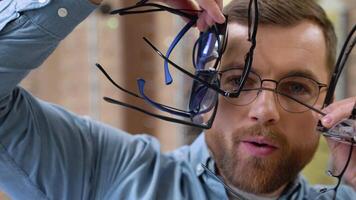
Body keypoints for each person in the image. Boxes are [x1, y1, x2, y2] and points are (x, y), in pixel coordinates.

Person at [0, 0, 355, 199]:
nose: (264, 112)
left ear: (330, 105)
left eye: (296, 88)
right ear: (201, 94)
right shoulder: (102, 173)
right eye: (236, 81)